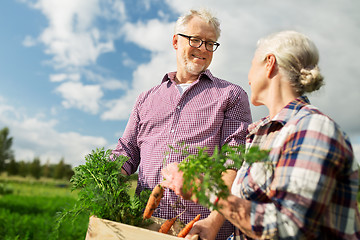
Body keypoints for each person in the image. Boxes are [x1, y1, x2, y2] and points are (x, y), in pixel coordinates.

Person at [164, 30, 360, 239]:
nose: (248, 78)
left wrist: (203, 189)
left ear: (269, 64)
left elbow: (288, 229)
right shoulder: (262, 135)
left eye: (251, 65)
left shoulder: (313, 128)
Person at [111, 8, 252, 240]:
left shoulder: (231, 95)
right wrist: (102, 180)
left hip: (200, 229)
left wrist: (214, 223)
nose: (203, 49)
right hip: (143, 226)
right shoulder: (146, 98)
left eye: (210, 43)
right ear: (176, 41)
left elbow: (233, 163)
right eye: (196, 40)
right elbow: (127, 151)